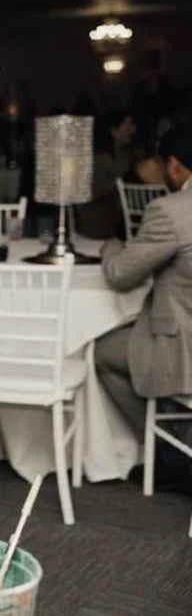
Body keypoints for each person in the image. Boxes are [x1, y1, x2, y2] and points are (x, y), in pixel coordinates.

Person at [95, 124, 192, 486]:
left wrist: (111, 247)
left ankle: (164, 451)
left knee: (100, 352)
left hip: (181, 342)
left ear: (175, 166)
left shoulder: (170, 211)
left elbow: (120, 275)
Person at [75, 109, 141, 239]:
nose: (132, 130)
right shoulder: (101, 157)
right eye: (128, 125)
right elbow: (96, 190)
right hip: (97, 218)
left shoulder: (125, 153)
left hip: (113, 215)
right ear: (114, 131)